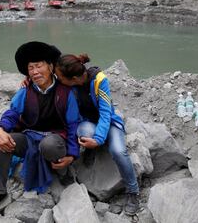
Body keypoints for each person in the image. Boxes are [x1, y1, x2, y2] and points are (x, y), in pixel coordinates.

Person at [0, 42, 81, 218]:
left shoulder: (66, 92)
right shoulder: (25, 91)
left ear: (51, 66)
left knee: (49, 145)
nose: (34, 71)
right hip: (31, 137)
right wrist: (0, 130)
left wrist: (72, 155)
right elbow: (12, 113)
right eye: (30, 68)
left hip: (55, 139)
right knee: (5, 142)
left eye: (39, 65)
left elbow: (72, 125)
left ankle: (62, 171)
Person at [55, 53, 141, 215]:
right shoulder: (69, 86)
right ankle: (91, 148)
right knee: (85, 131)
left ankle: (133, 191)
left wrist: (99, 139)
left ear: (73, 78)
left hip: (109, 122)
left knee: (118, 151)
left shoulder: (100, 80)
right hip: (88, 123)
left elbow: (105, 112)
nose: (58, 79)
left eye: (60, 77)